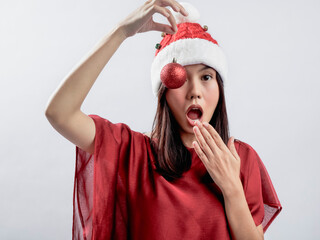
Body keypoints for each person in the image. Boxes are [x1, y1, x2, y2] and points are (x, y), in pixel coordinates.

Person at [45, 1, 282, 239]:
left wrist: (232, 188)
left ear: (220, 88)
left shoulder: (240, 158)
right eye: (180, 78)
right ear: (164, 93)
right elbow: (59, 113)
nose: (195, 91)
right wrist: (122, 31)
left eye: (206, 77)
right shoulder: (132, 152)